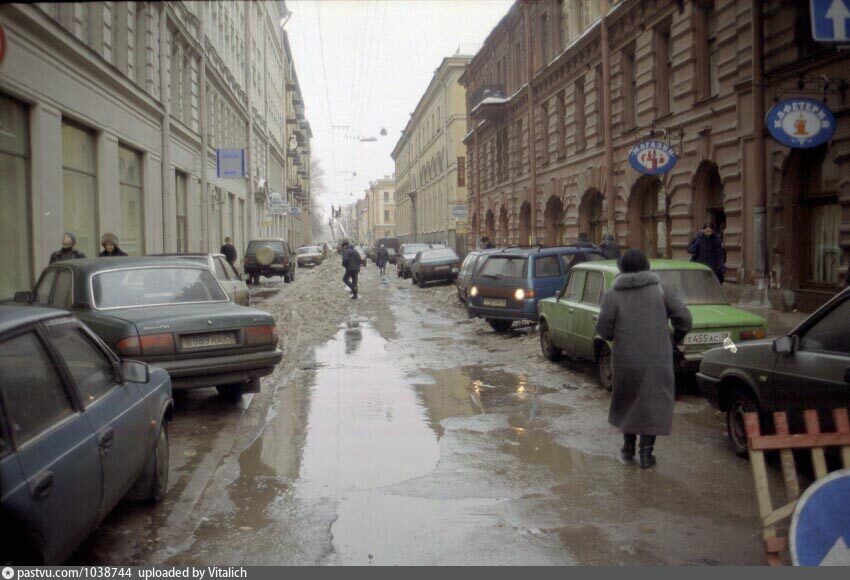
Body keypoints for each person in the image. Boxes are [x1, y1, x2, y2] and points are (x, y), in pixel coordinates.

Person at [595, 249, 692, 469]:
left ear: (621, 269)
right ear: (647, 266)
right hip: (658, 359)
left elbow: (603, 329)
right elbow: (685, 320)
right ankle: (646, 454)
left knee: (628, 401)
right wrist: (673, 338)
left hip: (625, 360)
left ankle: (627, 449)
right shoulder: (660, 290)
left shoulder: (613, 294)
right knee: (653, 403)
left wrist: (618, 336)